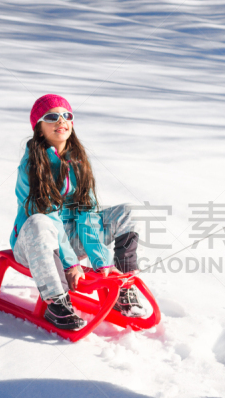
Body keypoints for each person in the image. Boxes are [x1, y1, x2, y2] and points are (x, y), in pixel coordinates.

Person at [11, 94, 145, 331]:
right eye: (52, 117)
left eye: (67, 115)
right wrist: (70, 263)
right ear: (39, 129)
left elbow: (87, 213)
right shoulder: (31, 166)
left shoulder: (78, 161)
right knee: (40, 222)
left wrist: (101, 262)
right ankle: (57, 301)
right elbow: (48, 217)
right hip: (36, 246)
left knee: (126, 212)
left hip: (71, 240)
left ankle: (122, 285)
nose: (61, 120)